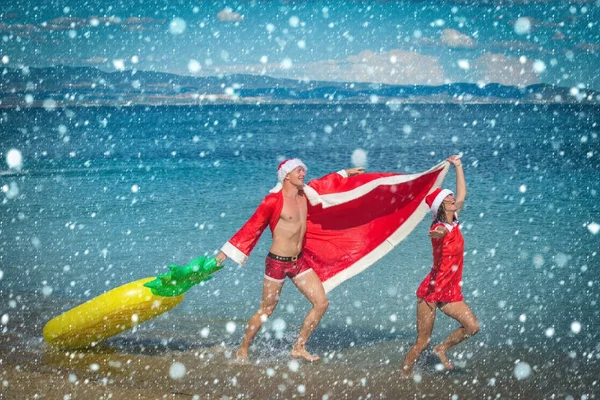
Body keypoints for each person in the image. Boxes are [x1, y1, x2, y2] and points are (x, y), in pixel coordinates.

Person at [216, 158, 364, 361]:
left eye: (303, 170)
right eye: (298, 171)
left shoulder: (305, 195)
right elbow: (253, 226)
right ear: (286, 175)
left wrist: (345, 173)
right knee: (267, 309)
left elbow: (324, 184)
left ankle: (298, 347)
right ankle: (243, 348)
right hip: (277, 262)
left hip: (299, 261)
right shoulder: (273, 201)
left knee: (321, 303)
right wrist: (227, 251)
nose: (303, 173)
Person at [400, 155, 479, 375]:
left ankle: (441, 349)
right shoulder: (440, 226)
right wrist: (438, 233)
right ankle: (403, 376)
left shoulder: (454, 221)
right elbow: (438, 233)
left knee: (472, 327)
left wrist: (458, 166)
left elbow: (462, 193)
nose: (454, 199)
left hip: (450, 290)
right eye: (449, 199)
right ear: (441, 206)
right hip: (432, 291)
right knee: (421, 342)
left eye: (452, 198)